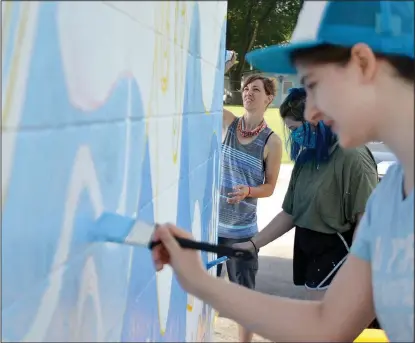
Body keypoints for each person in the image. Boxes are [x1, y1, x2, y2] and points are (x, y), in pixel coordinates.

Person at [151, 1, 414, 342]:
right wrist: (197, 280)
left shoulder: (365, 175)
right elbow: (326, 324)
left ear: (362, 63)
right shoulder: (391, 196)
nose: (313, 112)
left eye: (314, 84)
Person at [233, 87, 378, 301]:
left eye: (294, 129)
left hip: (338, 251)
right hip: (309, 248)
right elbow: (291, 213)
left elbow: (366, 221)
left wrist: (355, 271)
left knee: (325, 326)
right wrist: (253, 244)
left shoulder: (353, 157)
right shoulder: (307, 158)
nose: (294, 136)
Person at [219, 65, 283, 341]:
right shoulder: (229, 124)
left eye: (256, 89)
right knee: (203, 292)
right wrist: (220, 67)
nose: (248, 93)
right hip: (212, 227)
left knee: (243, 300)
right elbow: (208, 97)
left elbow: (269, 188)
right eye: (246, 88)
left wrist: (248, 191)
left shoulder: (272, 142)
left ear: (268, 98)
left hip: (242, 233)